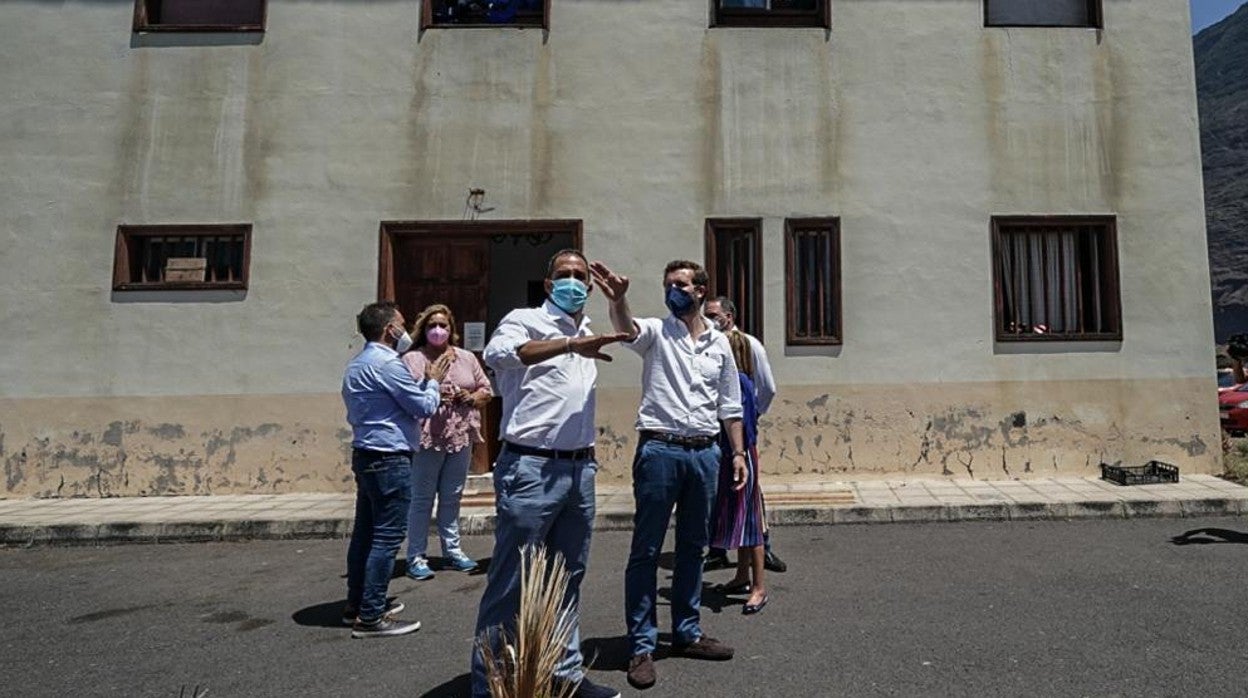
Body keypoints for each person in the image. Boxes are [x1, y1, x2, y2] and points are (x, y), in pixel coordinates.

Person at [470, 250, 628, 698]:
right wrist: (570, 346)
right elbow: (502, 356)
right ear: (548, 283)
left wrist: (617, 303)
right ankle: (491, 683)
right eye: (565, 275)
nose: (574, 282)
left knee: (566, 578)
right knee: (512, 581)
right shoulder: (524, 320)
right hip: (530, 467)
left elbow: (632, 333)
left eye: (581, 277)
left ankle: (564, 674)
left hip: (579, 470)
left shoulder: (587, 330)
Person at [590, 259, 747, 690]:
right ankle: (641, 644)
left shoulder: (720, 344)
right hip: (660, 450)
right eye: (667, 285)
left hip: (705, 453)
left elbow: (729, 404)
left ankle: (687, 632)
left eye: (679, 284)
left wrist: (737, 453)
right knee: (646, 548)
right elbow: (626, 329)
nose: (672, 291)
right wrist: (618, 300)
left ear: (700, 290)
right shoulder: (657, 332)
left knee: (694, 548)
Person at [341, 301, 451, 638]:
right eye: (402, 324)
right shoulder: (388, 364)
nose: (406, 332)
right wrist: (432, 381)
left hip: (367, 454)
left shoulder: (358, 363)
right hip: (389, 458)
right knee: (387, 538)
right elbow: (423, 406)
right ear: (390, 329)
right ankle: (371, 616)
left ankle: (358, 604)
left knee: (366, 533)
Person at [401, 303, 493, 581]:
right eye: (432, 325)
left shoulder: (466, 357)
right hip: (428, 437)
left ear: (451, 329)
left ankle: (452, 550)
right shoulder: (412, 359)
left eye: (443, 325)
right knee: (422, 498)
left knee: (452, 496)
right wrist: (431, 389)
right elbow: (404, 395)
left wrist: (471, 398)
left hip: (460, 435)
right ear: (423, 330)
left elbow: (485, 389)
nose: (438, 330)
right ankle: (415, 555)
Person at [703, 297, 788, 574]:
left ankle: (761, 545)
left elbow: (767, 388)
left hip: (740, 429)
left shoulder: (748, 344)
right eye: (706, 315)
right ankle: (718, 548)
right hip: (712, 428)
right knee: (716, 489)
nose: (709, 320)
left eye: (714, 314)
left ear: (729, 316)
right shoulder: (705, 342)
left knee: (746, 487)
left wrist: (750, 416)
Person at [708, 330, 769, 615]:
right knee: (739, 516)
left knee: (751, 520)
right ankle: (742, 575)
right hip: (734, 454)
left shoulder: (741, 384)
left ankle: (759, 587)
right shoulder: (739, 383)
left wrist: (738, 454)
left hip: (742, 455)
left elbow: (741, 424)